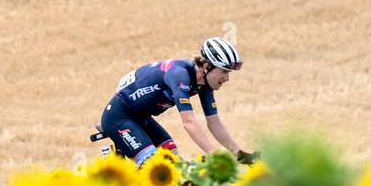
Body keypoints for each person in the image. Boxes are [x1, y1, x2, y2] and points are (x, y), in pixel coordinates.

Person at [99, 36, 255, 166]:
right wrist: (214, 154)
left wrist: (238, 153)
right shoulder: (180, 74)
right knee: (154, 165)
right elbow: (189, 122)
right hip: (119, 118)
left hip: (141, 119)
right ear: (206, 66)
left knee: (175, 162)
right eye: (224, 71)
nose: (227, 78)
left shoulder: (204, 84)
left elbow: (213, 122)